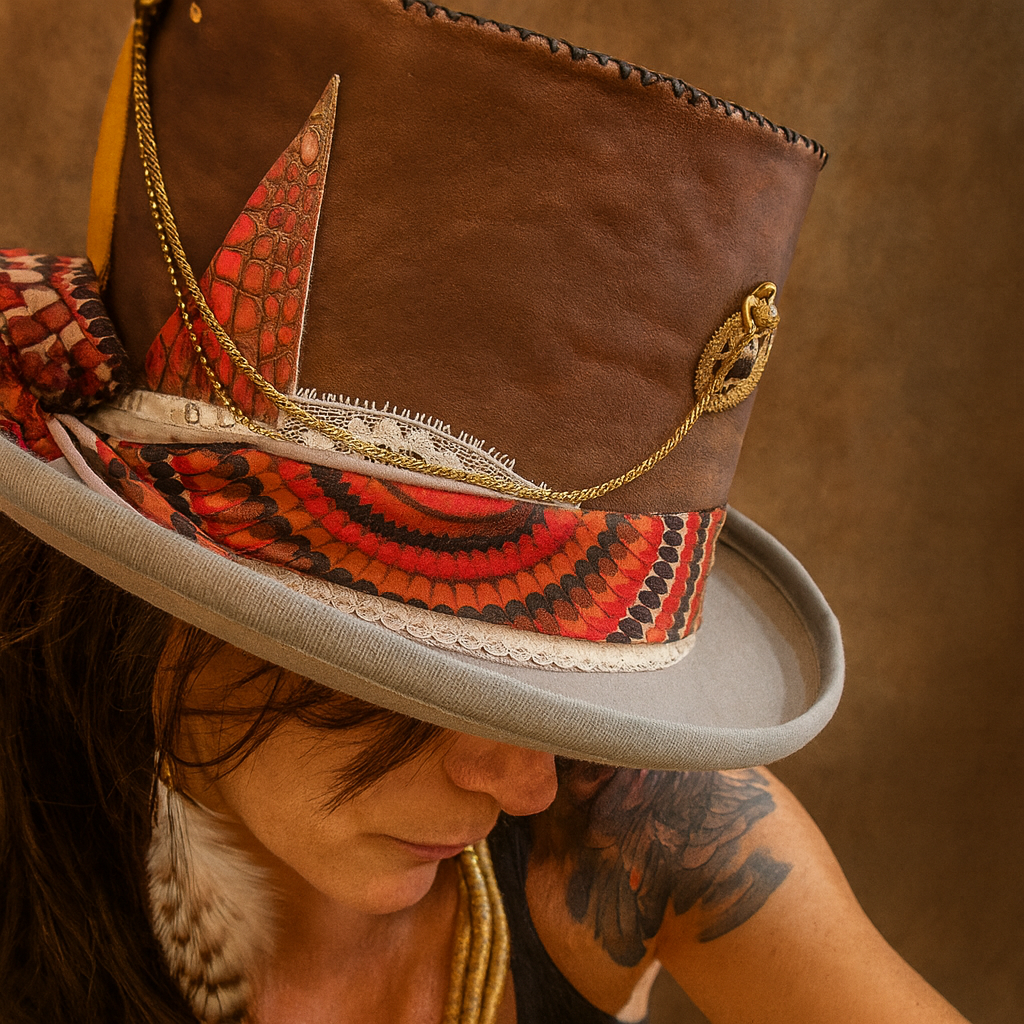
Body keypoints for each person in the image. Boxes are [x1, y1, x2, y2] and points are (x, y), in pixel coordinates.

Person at [0, 1, 971, 1022]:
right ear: (172, 591)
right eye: (423, 674)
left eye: (539, 687)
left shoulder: (643, 824)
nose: (527, 784)